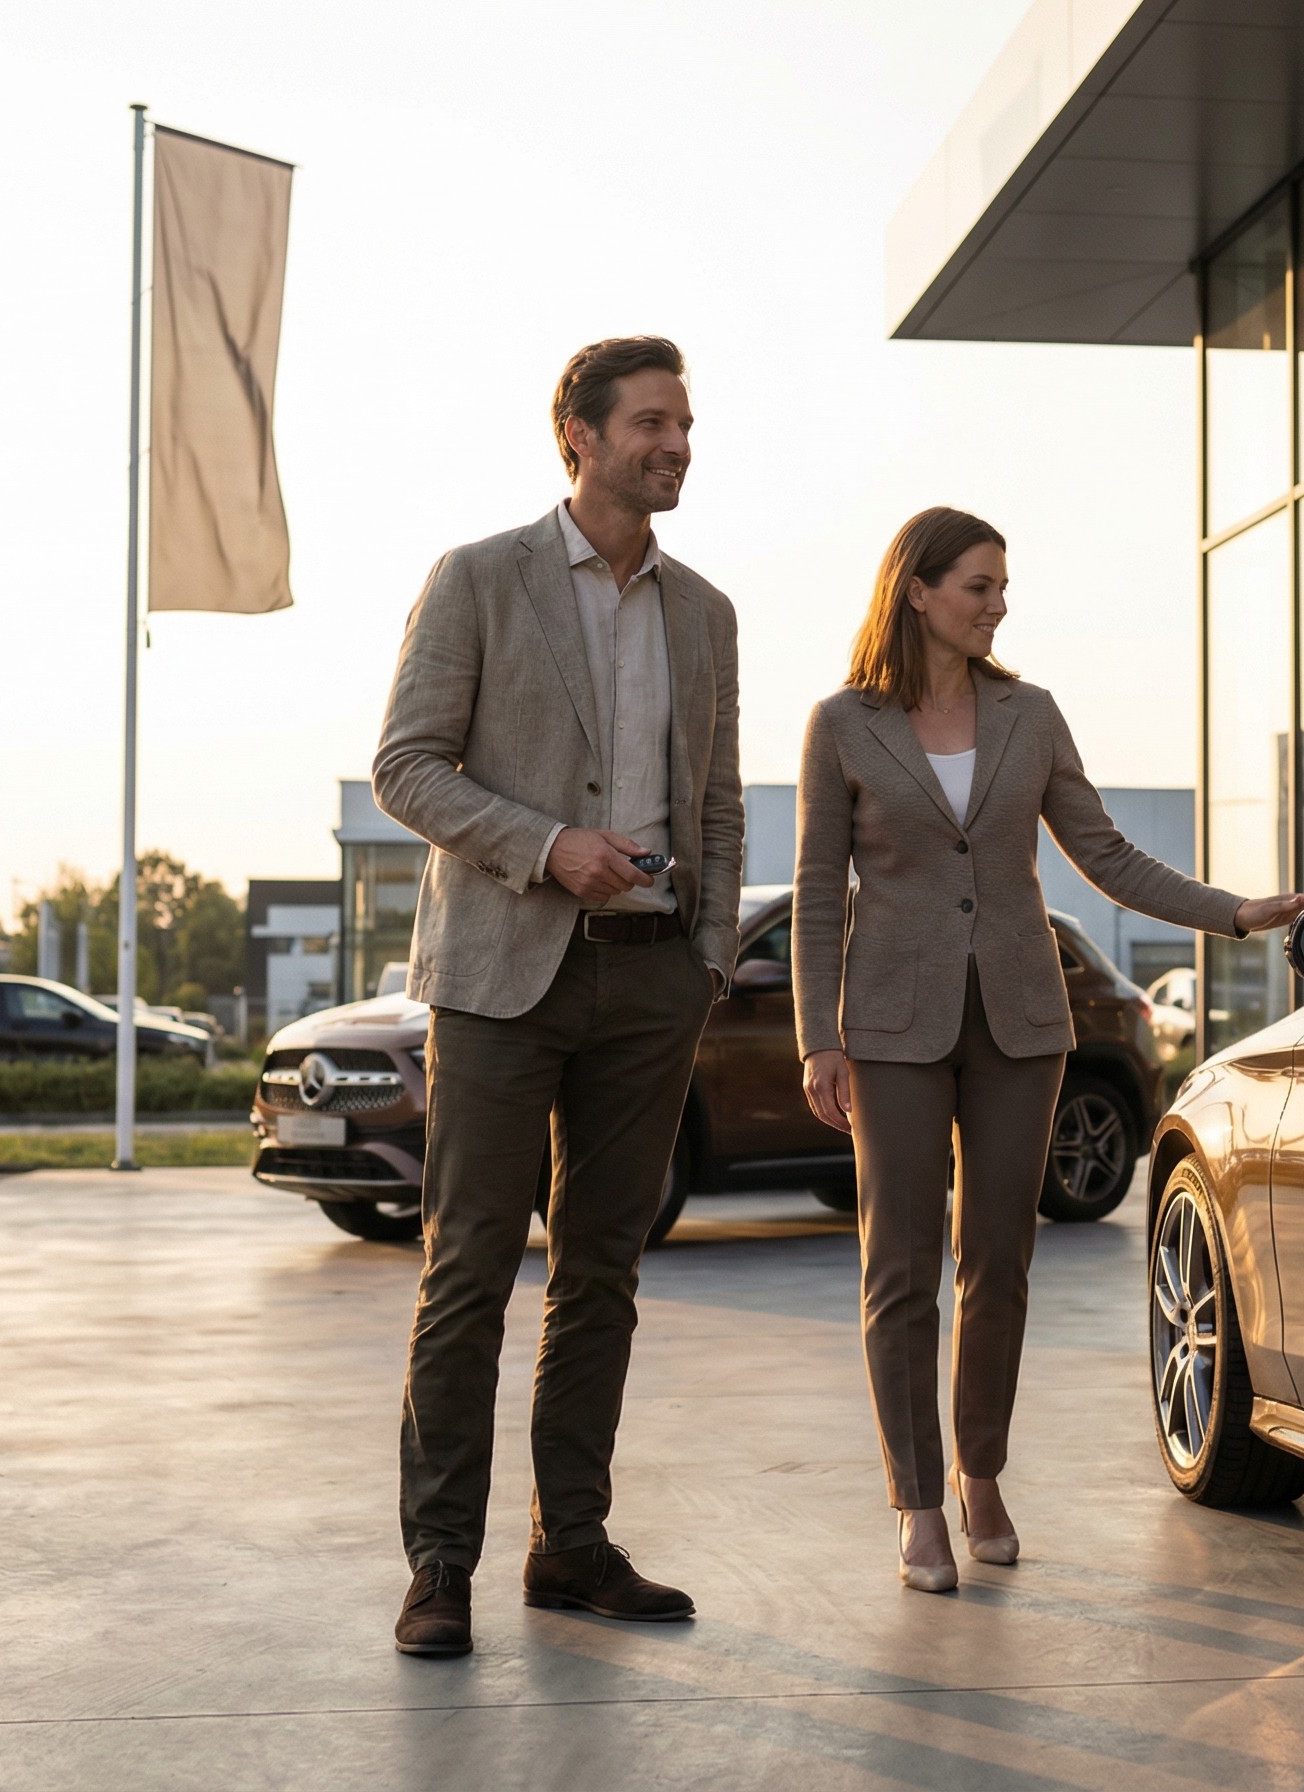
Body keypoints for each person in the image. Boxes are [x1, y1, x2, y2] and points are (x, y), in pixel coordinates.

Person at [792, 507, 1304, 1592]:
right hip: (889, 1028)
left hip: (1021, 1024)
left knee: (1000, 1262)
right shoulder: (842, 722)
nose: (998, 603)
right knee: (899, 1273)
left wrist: (1238, 910)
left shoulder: (1030, 715)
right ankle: (918, 1503)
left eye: (1002, 585)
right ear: (920, 591)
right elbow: (813, 895)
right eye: (979, 585)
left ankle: (982, 1470)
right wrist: (817, 1038)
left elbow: (1106, 853)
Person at [371, 336, 742, 1654]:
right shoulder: (479, 580)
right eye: (653, 422)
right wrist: (547, 848)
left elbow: (718, 806)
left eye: (685, 424)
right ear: (576, 435)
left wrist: (706, 963)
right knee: (468, 1269)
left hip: (651, 981)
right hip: (498, 978)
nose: (678, 443)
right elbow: (404, 769)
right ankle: (441, 1570)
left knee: (604, 1273)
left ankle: (569, 1547)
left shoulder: (706, 612)